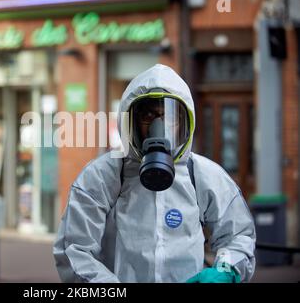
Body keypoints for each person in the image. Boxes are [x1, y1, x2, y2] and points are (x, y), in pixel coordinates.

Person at [53, 64, 256, 283]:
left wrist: (225, 270)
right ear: (130, 121)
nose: (159, 126)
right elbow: (74, 250)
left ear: (183, 123)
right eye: (148, 115)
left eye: (170, 117)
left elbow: (238, 236)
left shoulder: (203, 175)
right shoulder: (103, 176)